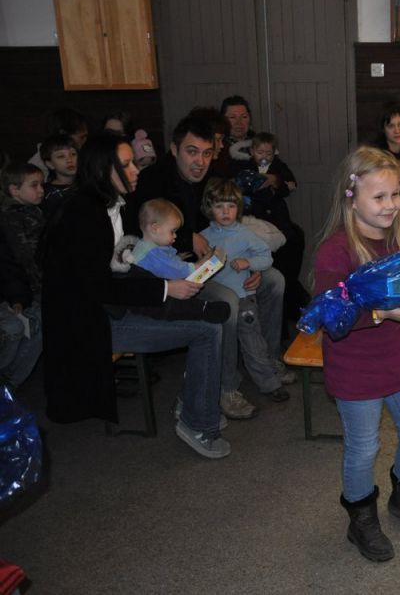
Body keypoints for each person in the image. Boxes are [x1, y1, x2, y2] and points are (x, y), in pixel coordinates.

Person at [40, 132, 228, 458]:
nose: (136, 169)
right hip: (93, 321)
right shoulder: (81, 213)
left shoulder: (113, 204)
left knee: (203, 316)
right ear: (102, 169)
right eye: (126, 164)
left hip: (114, 305)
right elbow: (96, 286)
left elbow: (136, 257)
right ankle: (198, 422)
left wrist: (178, 273)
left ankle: (194, 402)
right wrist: (168, 288)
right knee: (206, 329)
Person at [314, 146, 400, 562]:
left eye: (395, 195)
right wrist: (380, 312)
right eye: (379, 197)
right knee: (363, 448)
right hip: (355, 368)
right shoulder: (335, 250)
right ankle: (361, 518)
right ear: (352, 196)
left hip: (399, 360)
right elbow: (330, 315)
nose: (391, 205)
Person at [124, 115, 290, 420]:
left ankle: (267, 359)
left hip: (214, 263)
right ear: (173, 149)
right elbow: (149, 232)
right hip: (176, 272)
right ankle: (226, 387)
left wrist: (251, 266)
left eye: (206, 153)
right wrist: (189, 238)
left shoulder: (207, 179)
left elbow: (222, 224)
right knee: (226, 302)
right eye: (191, 152)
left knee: (274, 280)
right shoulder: (153, 181)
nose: (199, 161)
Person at [200, 179, 290, 402]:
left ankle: (269, 383)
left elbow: (265, 257)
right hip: (221, 297)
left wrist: (248, 263)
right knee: (234, 337)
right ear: (209, 208)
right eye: (219, 206)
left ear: (238, 209)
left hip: (244, 297)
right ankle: (230, 384)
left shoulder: (244, 233)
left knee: (253, 339)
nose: (225, 212)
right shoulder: (203, 237)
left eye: (231, 206)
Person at [231, 131, 309, 323]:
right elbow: (243, 187)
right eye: (260, 152)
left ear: (274, 153)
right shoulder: (246, 167)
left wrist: (276, 182)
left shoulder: (279, 167)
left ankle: (288, 300)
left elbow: (289, 186)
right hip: (255, 217)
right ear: (252, 152)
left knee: (290, 242)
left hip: (277, 217)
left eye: (268, 153)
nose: (264, 156)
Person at [123, 197, 230, 324]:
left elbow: (167, 264)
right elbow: (176, 271)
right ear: (155, 228)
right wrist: (198, 265)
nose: (175, 236)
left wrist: (180, 258)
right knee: (179, 303)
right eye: (172, 231)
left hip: (156, 293)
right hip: (150, 304)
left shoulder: (153, 246)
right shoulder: (152, 253)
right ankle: (204, 309)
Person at [0, 164, 45, 389]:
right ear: (14, 190)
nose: (41, 190)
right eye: (34, 185)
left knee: (36, 330)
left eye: (41, 185)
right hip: (29, 285)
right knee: (22, 329)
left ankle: (8, 385)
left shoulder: (34, 212)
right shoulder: (11, 218)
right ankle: (7, 384)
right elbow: (24, 256)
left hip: (29, 285)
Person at [27, 107, 88, 176]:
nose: (86, 141)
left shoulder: (84, 155)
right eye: (82, 137)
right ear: (64, 134)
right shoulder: (36, 167)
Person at [39, 134, 78, 218]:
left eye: (73, 154)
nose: (69, 160)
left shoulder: (87, 183)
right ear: (50, 164)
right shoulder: (46, 193)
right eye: (61, 156)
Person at [220, 95, 254, 161]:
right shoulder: (218, 149)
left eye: (244, 117)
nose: (239, 122)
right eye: (232, 117)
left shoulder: (260, 143)